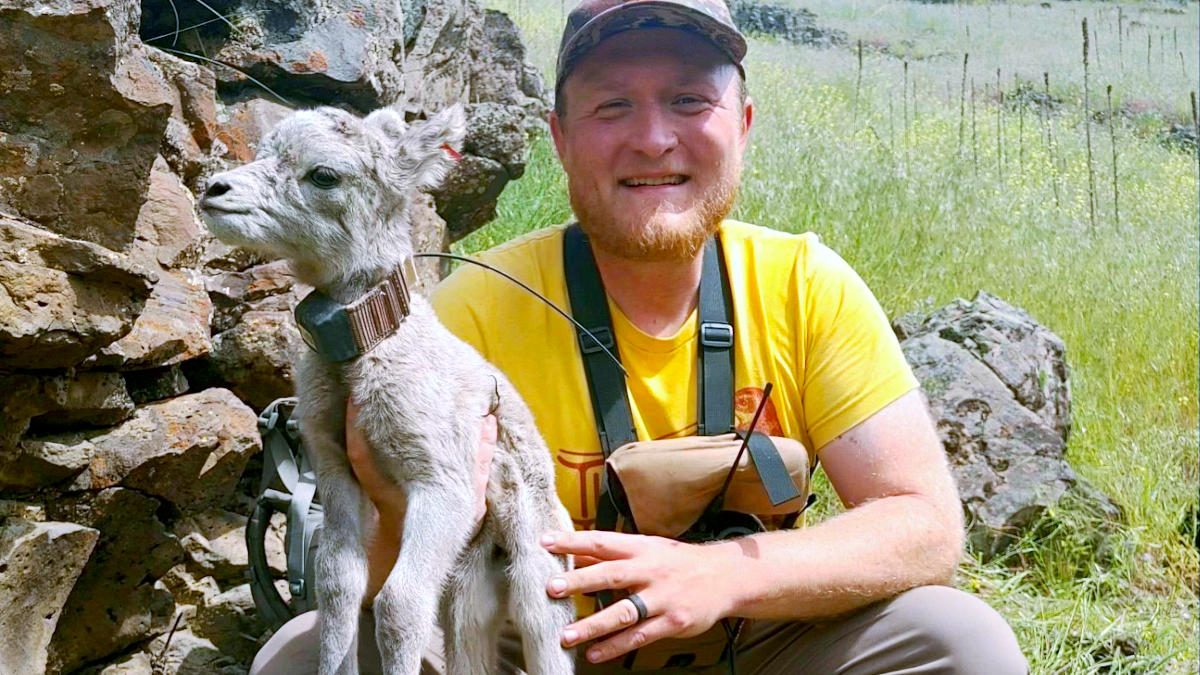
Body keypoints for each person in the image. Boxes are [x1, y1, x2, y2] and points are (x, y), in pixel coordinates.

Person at [251, 0, 1029, 672]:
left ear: (744, 124)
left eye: (690, 101)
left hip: (756, 647)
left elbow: (924, 526)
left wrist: (724, 575)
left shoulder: (806, 285)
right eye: (612, 106)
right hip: (539, 645)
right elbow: (390, 570)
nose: (654, 139)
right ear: (559, 137)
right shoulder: (465, 313)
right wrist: (399, 499)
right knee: (298, 657)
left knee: (961, 644)